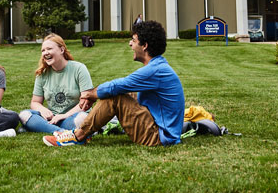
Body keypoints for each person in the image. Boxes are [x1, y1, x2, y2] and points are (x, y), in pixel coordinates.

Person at [43, 20, 185, 147]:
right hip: (160, 129)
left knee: (114, 95)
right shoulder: (158, 67)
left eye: (134, 40)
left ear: (145, 46)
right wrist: (94, 95)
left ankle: (77, 136)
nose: (130, 43)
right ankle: (81, 132)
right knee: (120, 92)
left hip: (160, 137)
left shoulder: (155, 70)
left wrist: (90, 94)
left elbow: (116, 86)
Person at [18, 34, 94, 133]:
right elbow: (35, 102)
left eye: (49, 49)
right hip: (52, 119)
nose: (46, 53)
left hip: (73, 117)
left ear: (62, 50)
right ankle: (61, 133)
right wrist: (42, 109)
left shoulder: (79, 69)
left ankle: (42, 128)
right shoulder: (42, 74)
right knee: (24, 114)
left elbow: (86, 102)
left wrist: (64, 116)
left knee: (82, 119)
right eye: (43, 50)